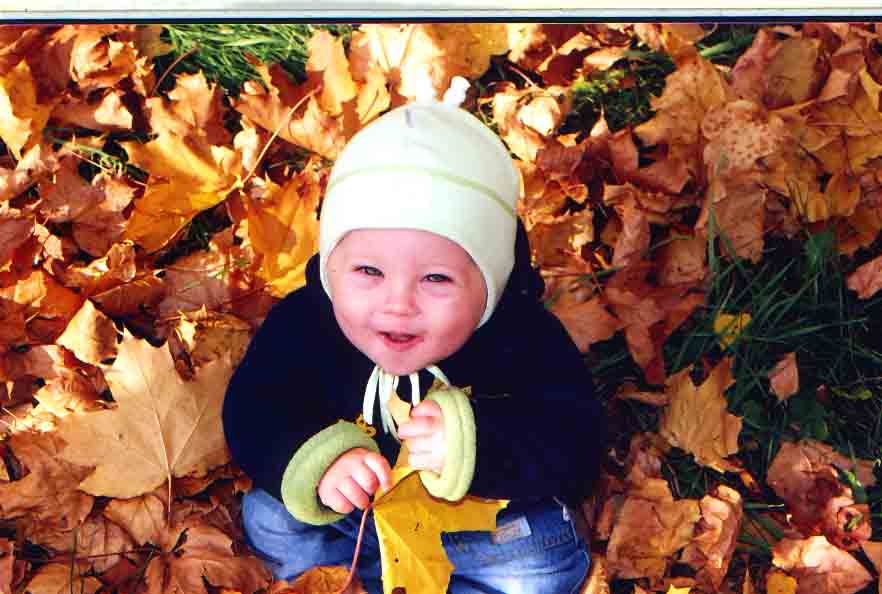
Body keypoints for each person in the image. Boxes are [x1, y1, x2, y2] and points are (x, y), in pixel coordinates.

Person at [222, 76, 607, 594]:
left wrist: (476, 447)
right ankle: (341, 580)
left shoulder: (522, 338)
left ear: (491, 284)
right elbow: (253, 407)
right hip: (351, 517)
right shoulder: (305, 323)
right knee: (270, 516)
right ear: (330, 266)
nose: (398, 304)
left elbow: (575, 440)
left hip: (476, 531)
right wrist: (318, 462)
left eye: (436, 279)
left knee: (540, 567)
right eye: (368, 272)